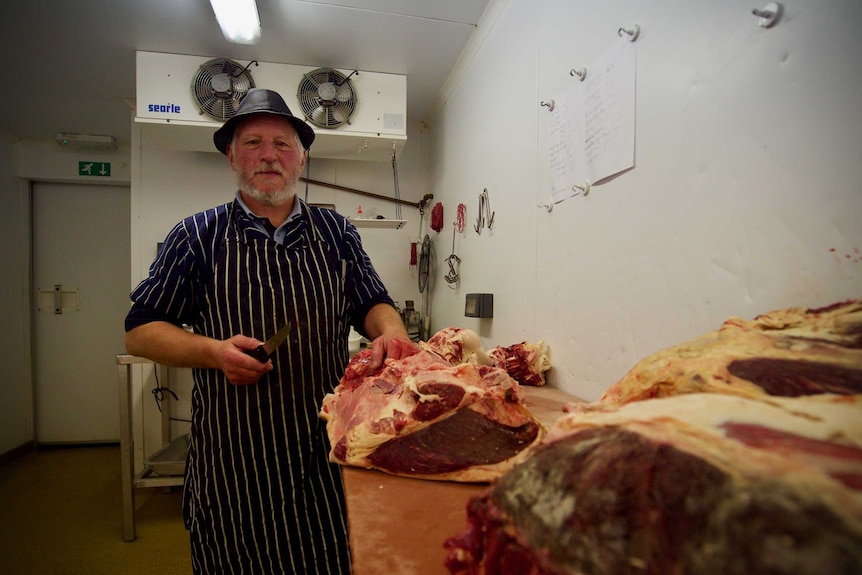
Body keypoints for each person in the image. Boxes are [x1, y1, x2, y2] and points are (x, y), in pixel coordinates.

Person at [124, 88, 419, 574]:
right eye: (253, 142)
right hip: (236, 461)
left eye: (283, 144)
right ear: (231, 155)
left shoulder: (336, 232)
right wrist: (215, 352)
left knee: (331, 561)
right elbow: (140, 331)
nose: (268, 155)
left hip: (324, 452)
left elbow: (372, 302)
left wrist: (390, 332)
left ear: (301, 158)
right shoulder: (195, 236)